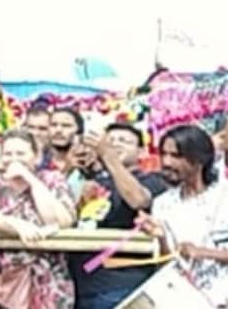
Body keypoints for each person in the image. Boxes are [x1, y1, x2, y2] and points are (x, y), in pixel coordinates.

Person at [142, 124, 228, 309]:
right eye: (164, 155)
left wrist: (204, 253)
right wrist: (160, 238)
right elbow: (167, 268)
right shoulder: (162, 204)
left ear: (199, 159)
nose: (166, 162)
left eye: (176, 156)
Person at [0, 130, 75, 309]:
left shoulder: (52, 179)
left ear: (36, 156)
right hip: (4, 276)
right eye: (8, 154)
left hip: (48, 275)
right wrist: (18, 226)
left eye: (21, 153)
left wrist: (31, 180)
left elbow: (62, 220)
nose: (14, 158)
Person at [69, 124, 166, 309]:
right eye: (110, 140)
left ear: (141, 151)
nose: (115, 145)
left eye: (124, 141)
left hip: (122, 285)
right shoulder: (94, 182)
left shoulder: (153, 179)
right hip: (82, 286)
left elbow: (138, 201)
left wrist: (109, 156)